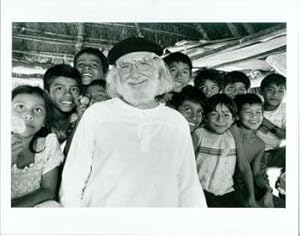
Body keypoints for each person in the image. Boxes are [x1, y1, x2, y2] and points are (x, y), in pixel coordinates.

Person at [59, 37, 207, 207]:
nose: (134, 74)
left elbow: (187, 184)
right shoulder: (97, 114)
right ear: (115, 76)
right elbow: (73, 179)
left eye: (144, 63)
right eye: (125, 66)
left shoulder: (175, 122)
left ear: (159, 71)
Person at [194, 94, 257, 207]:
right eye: (214, 114)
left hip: (227, 191)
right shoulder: (198, 134)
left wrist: (251, 197)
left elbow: (244, 166)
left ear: (233, 119)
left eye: (226, 115)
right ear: (205, 117)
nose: (220, 119)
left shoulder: (233, 134)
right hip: (201, 191)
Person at [11, 85, 64, 207]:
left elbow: (48, 191)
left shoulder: (48, 145)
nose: (28, 115)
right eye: (20, 107)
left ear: (45, 121)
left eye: (38, 110)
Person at [232, 94, 274, 207]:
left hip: (245, 184)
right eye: (248, 112)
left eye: (258, 112)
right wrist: (251, 198)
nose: (254, 117)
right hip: (228, 185)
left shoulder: (259, 144)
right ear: (236, 116)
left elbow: (256, 174)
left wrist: (267, 190)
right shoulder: (230, 131)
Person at [43, 64, 83, 145]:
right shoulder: (39, 120)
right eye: (59, 89)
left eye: (74, 89)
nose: (68, 94)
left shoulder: (82, 118)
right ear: (47, 93)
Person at [257, 74, 286, 168]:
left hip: (275, 153)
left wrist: (265, 122)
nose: (275, 94)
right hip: (253, 152)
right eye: (270, 90)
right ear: (261, 91)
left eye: (280, 91)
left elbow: (286, 136)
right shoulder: (254, 108)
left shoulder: (286, 109)